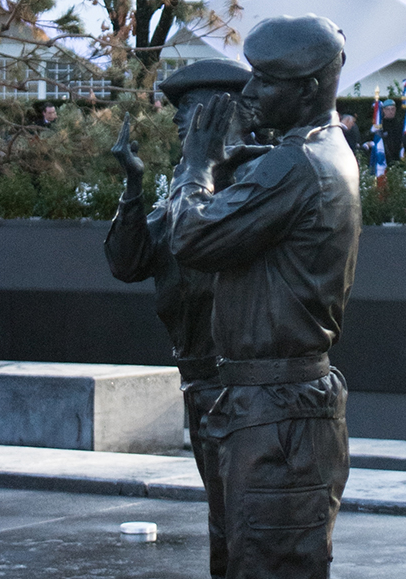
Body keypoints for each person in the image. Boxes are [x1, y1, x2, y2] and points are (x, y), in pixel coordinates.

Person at [166, 14, 360, 579]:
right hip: (275, 408)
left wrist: (197, 166)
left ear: (308, 90)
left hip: (277, 415)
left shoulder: (294, 165)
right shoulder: (311, 152)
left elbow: (190, 237)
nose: (248, 92)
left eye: (266, 80)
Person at [105, 58, 259, 579]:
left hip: (238, 383)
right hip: (198, 382)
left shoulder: (253, 184)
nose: (176, 125)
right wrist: (133, 184)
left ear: (225, 117)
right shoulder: (184, 190)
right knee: (222, 519)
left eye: (189, 113)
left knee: (245, 524)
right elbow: (128, 262)